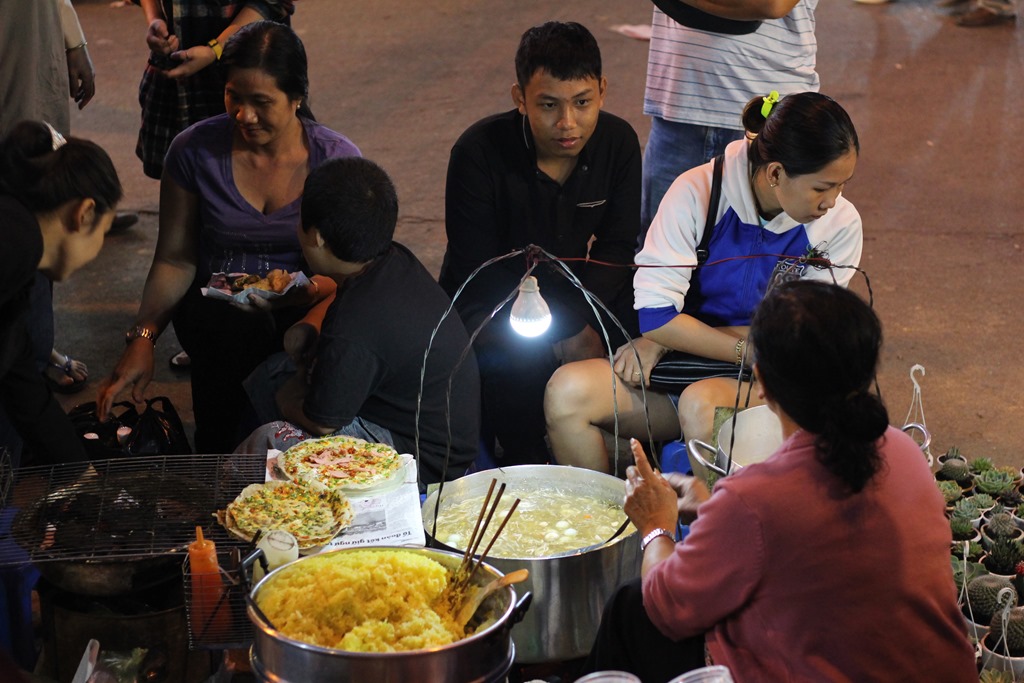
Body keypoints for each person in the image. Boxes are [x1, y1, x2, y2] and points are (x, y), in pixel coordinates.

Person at [580, 281, 978, 682]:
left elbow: (666, 607)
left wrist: (656, 525)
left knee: (630, 608)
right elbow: (809, 542)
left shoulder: (755, 500)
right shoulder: (904, 452)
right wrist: (715, 511)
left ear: (762, 383)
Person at [546, 91, 863, 473]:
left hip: (774, 379)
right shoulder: (697, 192)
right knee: (566, 394)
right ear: (776, 173)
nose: (833, 201)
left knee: (703, 403)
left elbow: (802, 338)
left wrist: (670, 339)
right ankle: (617, 511)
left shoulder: (839, 224)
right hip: (695, 364)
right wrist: (735, 346)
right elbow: (656, 318)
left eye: (842, 185)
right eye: (822, 187)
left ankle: (721, 514)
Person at [98, 21, 361, 454]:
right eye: (233, 96)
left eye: (261, 102)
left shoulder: (335, 161)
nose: (244, 115)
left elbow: (356, 270)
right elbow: (174, 258)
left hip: (306, 313)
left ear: (297, 97)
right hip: (216, 322)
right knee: (222, 420)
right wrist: (143, 338)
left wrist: (308, 294)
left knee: (299, 442)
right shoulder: (192, 150)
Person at [437, 21, 642, 466]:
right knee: (516, 360)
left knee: (640, 332)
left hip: (576, 288)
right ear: (520, 98)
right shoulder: (477, 152)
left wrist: (580, 321)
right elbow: (477, 265)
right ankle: (525, 459)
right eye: (549, 105)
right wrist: (565, 332)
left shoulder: (619, 143)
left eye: (582, 103)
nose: (568, 123)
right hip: (494, 296)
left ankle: (631, 446)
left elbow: (617, 246)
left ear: (603, 91)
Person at [237, 158, 481, 484]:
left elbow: (322, 422)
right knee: (271, 375)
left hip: (421, 458)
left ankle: (229, 495)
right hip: (438, 428)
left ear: (317, 237)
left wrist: (288, 397)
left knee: (270, 437)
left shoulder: (355, 324)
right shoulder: (392, 258)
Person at [0, 120, 123, 467]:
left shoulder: (18, 240)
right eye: (105, 231)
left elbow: (21, 381)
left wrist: (80, 476)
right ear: (84, 214)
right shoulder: (16, 244)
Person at [640, 0, 819, 238]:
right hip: (680, 101)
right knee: (657, 247)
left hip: (767, 114)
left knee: (767, 252)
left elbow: (771, 4)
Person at [133, 0, 296, 180]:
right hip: (178, 82)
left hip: (245, 70)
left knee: (257, 174)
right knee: (183, 175)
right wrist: (155, 19)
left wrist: (215, 49)